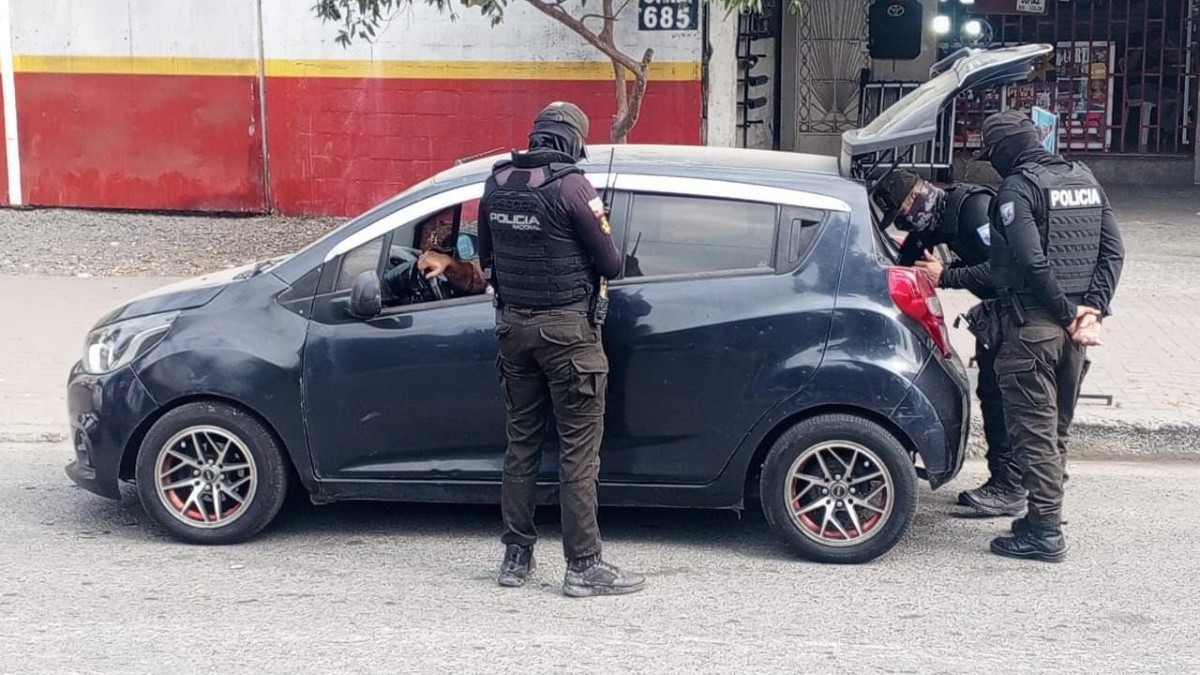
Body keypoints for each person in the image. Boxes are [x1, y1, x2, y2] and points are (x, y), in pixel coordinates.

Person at [478, 101, 644, 596]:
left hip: (514, 332)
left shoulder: (496, 182)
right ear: (573, 140)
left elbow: (486, 259)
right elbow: (611, 265)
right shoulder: (574, 186)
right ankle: (583, 565)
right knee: (577, 452)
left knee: (521, 445)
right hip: (569, 337)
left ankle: (516, 558)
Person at [979, 111, 1124, 562]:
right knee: (1056, 429)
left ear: (1004, 152)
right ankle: (1043, 516)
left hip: (1034, 330)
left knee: (1034, 432)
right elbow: (1114, 252)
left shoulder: (1018, 188)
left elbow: (1029, 260)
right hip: (1075, 333)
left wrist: (1063, 312)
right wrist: (1091, 310)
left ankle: (1044, 531)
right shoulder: (1084, 178)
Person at [873, 171, 1025, 518]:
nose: (906, 221)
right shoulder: (929, 227)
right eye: (899, 219)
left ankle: (1011, 486)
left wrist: (947, 276)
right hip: (996, 315)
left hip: (1021, 315)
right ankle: (1013, 480)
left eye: (904, 211)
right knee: (992, 395)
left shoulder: (973, 211)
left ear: (917, 196)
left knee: (1008, 400)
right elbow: (902, 269)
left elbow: (1006, 271)